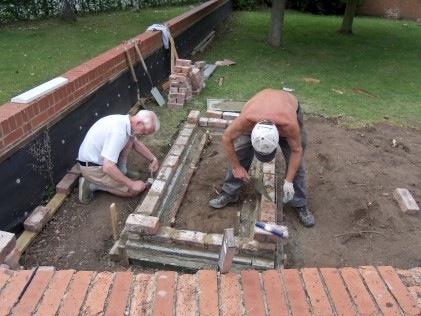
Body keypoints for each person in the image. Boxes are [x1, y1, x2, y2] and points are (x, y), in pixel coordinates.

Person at [208, 88, 315, 227]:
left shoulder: (289, 125)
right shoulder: (247, 120)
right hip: (258, 111)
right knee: (239, 153)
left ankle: (299, 203)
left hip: (288, 109)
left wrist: (288, 182)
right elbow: (226, 138)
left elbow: (297, 150)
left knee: (296, 165)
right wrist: (236, 167)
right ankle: (229, 193)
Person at [77, 110, 160, 204]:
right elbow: (108, 167)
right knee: (133, 191)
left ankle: (122, 171)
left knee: (131, 139)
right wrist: (131, 184)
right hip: (93, 168)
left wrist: (153, 158)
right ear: (139, 123)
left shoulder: (126, 122)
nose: (143, 135)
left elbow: (135, 144)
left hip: (98, 161)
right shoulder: (118, 132)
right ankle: (91, 184)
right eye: (144, 132)